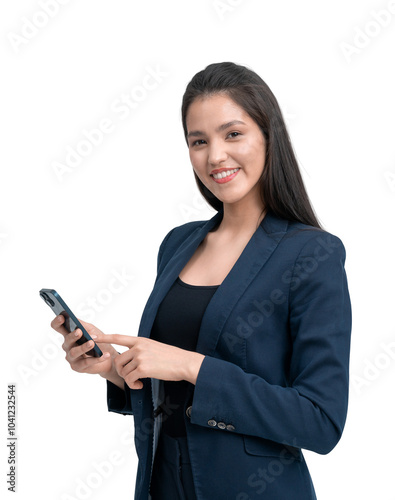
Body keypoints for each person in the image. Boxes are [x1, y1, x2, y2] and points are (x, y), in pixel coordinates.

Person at [51, 62, 352, 500]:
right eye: (198, 141)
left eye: (233, 134)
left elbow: (320, 421)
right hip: (162, 485)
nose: (214, 156)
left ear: (269, 136)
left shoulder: (312, 254)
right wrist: (113, 368)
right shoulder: (178, 243)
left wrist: (191, 366)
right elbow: (169, 396)